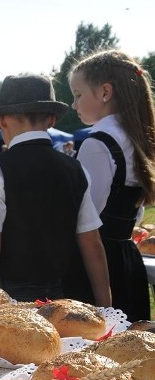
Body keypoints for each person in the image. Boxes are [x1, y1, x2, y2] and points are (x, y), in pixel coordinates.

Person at [0, 74, 110, 305]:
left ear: (2, 121)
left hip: (7, 299)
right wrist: (105, 305)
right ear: (51, 120)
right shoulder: (76, 170)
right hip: (60, 298)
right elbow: (92, 244)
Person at [62, 50, 155, 321]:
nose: (73, 103)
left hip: (96, 264)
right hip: (127, 258)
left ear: (105, 92)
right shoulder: (134, 137)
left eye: (78, 94)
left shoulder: (97, 143)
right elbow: (134, 213)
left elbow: (85, 217)